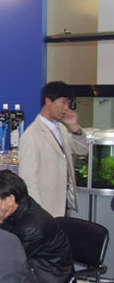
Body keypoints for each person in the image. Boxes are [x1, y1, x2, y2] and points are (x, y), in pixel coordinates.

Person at [0, 170, 74, 283]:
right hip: (36, 271)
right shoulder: (21, 206)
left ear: (10, 200)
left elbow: (3, 261)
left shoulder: (32, 228)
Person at [19, 81, 88, 217]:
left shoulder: (61, 128)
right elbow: (28, 180)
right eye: (63, 102)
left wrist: (75, 128)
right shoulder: (32, 135)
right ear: (48, 101)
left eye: (68, 103)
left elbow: (82, 150)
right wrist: (39, 212)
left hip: (62, 205)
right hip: (45, 209)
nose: (66, 108)